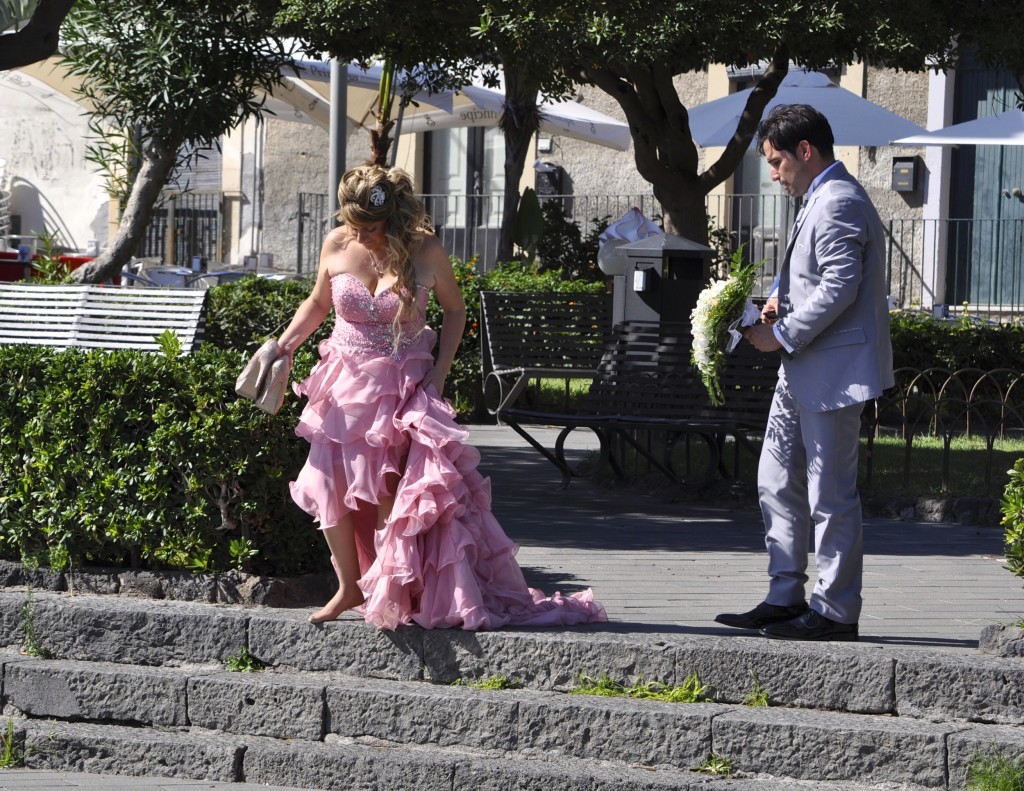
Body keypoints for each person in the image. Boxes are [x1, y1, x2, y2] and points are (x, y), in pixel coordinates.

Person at [275, 164, 606, 631]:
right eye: (352, 225)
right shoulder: (337, 243)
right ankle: (349, 584)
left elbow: (455, 309)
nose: (359, 235)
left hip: (401, 384)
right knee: (328, 485)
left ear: (391, 219)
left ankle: (391, 590)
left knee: (390, 492)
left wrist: (440, 371)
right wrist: (283, 344)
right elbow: (317, 303)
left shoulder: (425, 249)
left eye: (368, 227)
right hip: (343, 384)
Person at [715, 104, 894, 642]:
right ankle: (785, 595)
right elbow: (811, 275)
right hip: (804, 371)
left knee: (830, 494)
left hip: (833, 371)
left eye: (776, 162)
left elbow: (841, 284)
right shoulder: (819, 195)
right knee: (774, 479)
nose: (773, 173)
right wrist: (774, 302)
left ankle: (836, 611)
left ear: (806, 151)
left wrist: (783, 334)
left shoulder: (839, 199)